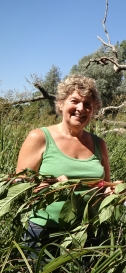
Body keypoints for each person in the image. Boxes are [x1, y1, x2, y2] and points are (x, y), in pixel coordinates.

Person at [16, 74, 110, 257]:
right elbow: (20, 185)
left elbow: (104, 185)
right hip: (43, 231)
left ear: (93, 110)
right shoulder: (39, 137)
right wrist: (46, 186)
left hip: (85, 233)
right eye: (74, 101)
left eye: (87, 104)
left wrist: (110, 191)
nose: (81, 109)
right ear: (60, 104)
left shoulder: (100, 144)